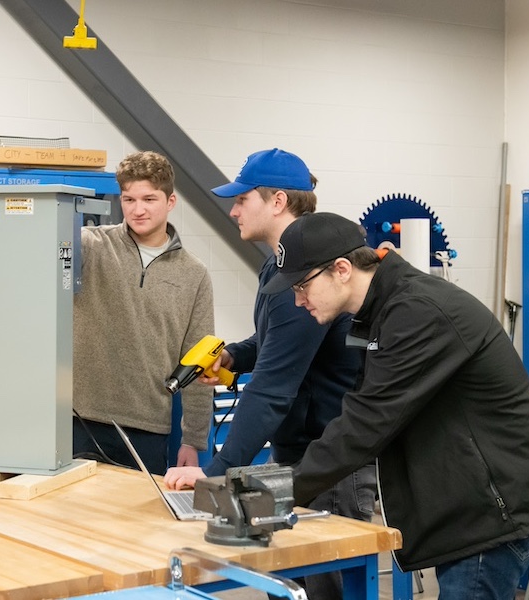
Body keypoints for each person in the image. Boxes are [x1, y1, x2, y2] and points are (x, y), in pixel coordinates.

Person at [270, 212, 529, 599]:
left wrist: (276, 493)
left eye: (301, 285)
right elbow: (362, 409)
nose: (298, 300)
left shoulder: (417, 311)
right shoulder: (381, 312)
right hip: (470, 507)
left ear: (342, 269)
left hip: (491, 513)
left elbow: (367, 423)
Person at [163, 148, 375, 600]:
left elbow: (273, 390)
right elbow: (279, 342)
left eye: (242, 200)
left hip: (329, 459)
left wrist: (215, 475)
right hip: (299, 450)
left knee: (324, 588)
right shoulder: (279, 266)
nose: (234, 209)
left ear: (277, 201)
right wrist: (235, 357)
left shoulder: (302, 273)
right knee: (290, 584)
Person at [73, 150, 214, 475]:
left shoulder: (194, 274)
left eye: (149, 199)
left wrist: (193, 440)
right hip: (80, 421)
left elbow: (198, 361)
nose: (138, 210)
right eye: (129, 199)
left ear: (170, 201)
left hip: (147, 428)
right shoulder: (90, 246)